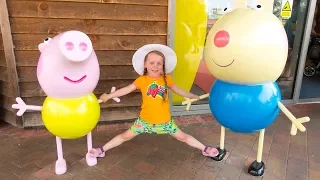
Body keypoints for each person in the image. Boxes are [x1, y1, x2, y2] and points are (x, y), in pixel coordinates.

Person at [89, 44, 219, 158]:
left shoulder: (166, 79)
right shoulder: (142, 80)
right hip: (144, 122)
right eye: (152, 63)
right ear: (145, 65)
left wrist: (192, 95)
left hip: (165, 122)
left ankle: (205, 149)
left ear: (163, 65)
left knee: (183, 137)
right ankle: (102, 150)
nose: (155, 66)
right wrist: (108, 96)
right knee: (124, 136)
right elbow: (127, 89)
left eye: (159, 63)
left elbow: (178, 90)